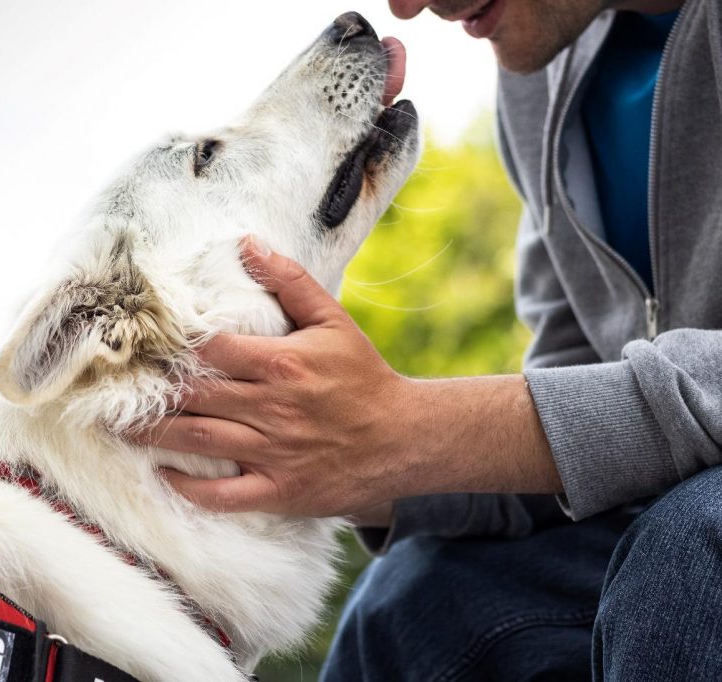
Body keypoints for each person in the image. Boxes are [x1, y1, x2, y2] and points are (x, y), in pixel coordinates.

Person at [136, 0, 722, 678]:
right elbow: (583, 429)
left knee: (692, 546)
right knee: (413, 603)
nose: (408, 6)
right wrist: (351, 461)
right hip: (648, 528)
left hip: (688, 545)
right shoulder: (539, 83)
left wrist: (411, 430)